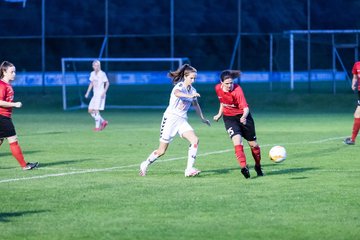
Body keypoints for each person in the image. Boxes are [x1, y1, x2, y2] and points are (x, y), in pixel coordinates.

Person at [139, 64, 210, 177]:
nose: (193, 80)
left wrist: (202, 118)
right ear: (185, 76)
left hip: (182, 120)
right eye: (191, 78)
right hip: (170, 119)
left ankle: (189, 169)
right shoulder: (179, 86)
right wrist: (190, 95)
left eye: (194, 78)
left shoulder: (193, 90)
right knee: (162, 151)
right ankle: (145, 163)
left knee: (195, 140)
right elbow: (177, 94)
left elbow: (196, 105)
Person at [213, 70, 263, 179]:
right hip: (229, 118)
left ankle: (258, 166)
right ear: (221, 82)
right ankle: (244, 167)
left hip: (244, 117)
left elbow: (246, 108)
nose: (230, 85)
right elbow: (223, 102)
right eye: (227, 83)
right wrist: (219, 114)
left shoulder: (237, 90)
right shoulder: (217, 88)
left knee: (253, 145)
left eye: (231, 83)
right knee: (237, 141)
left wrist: (244, 117)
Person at [0, 61, 39, 170]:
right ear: (4, 71)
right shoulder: (2, 85)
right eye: (11, 72)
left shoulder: (7, 85)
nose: (14, 74)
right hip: (2, 117)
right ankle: (24, 165)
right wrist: (14, 104)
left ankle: (24, 165)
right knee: (13, 140)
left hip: (4, 117)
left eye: (15, 72)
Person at [85, 60, 110, 131]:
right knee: (90, 110)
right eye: (95, 65)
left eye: (98, 65)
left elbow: (107, 83)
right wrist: (87, 92)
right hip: (95, 94)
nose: (97, 67)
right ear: (93, 66)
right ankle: (103, 122)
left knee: (96, 110)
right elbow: (91, 83)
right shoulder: (92, 73)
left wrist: (104, 92)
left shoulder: (102, 74)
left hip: (100, 93)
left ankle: (97, 127)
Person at [344, 61, 360, 145]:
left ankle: (352, 139)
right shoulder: (357, 65)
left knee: (357, 115)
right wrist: (353, 84)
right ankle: (352, 139)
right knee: (357, 115)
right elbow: (355, 77)